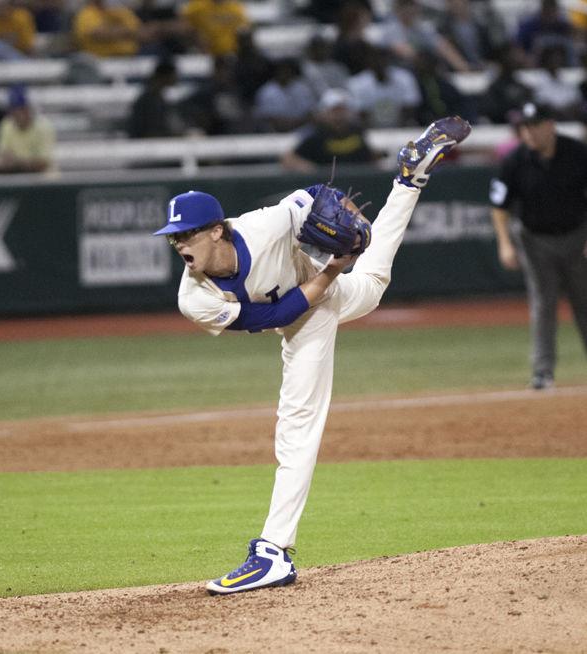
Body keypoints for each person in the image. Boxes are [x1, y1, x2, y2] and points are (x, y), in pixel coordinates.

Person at [153, 115, 471, 594]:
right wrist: (331, 274)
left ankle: (273, 552)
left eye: (187, 234)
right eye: (174, 236)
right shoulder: (193, 297)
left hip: (315, 296)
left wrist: (342, 220)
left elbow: (305, 199)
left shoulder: (263, 226)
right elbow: (266, 319)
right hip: (313, 295)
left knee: (298, 422)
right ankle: (409, 180)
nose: (179, 244)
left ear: (217, 230)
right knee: (372, 285)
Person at [489, 102, 587, 390]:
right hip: (535, 240)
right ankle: (543, 372)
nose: (528, 133)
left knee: (584, 303)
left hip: (577, 237)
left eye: (534, 126)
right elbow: (498, 205)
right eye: (524, 127)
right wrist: (505, 243)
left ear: (550, 126)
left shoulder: (577, 152)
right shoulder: (515, 160)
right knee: (543, 305)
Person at [281, 88, 378, 173]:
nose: (339, 116)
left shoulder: (357, 132)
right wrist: (311, 170)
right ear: (324, 113)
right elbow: (288, 159)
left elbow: (371, 158)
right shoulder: (316, 134)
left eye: (342, 110)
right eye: (334, 111)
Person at [0, 85, 55, 174]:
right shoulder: (6, 125)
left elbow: (44, 163)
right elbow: (3, 155)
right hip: (16, 176)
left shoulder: (43, 127)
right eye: (15, 109)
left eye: (22, 109)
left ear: (29, 109)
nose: (19, 114)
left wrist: (18, 162)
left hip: (43, 181)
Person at [73, 0, 147, 57]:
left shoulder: (120, 10)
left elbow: (142, 32)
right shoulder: (86, 13)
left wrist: (115, 31)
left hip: (131, 58)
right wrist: (127, 32)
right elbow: (98, 34)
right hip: (101, 60)